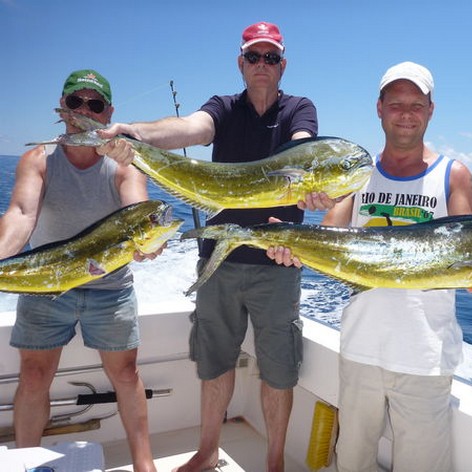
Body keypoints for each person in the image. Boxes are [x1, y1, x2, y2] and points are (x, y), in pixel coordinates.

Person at [100, 22, 335, 472]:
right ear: (240, 62)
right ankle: (207, 453)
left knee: (279, 371)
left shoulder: (299, 109)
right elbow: (189, 128)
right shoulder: (223, 108)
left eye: (270, 57)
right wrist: (136, 135)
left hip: (277, 262)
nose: (261, 65)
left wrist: (313, 177)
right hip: (218, 262)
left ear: (282, 64)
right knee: (214, 363)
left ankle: (273, 464)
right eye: (253, 56)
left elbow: (304, 146)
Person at [268, 61, 472, 471]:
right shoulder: (355, 176)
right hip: (361, 348)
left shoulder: (454, 176)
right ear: (379, 108)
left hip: (426, 357)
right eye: (396, 104)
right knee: (353, 462)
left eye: (416, 104)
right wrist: (294, 247)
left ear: (431, 110)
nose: (407, 113)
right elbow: (328, 240)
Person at [0, 69, 161, 472]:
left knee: (126, 373)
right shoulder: (38, 159)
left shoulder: (125, 164)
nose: (84, 111)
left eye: (95, 105)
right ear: (62, 107)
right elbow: (20, 215)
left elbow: (135, 211)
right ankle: (26, 463)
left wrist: (146, 242)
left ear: (109, 114)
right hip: (47, 282)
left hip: (110, 288)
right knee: (35, 376)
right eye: (76, 102)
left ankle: (145, 465)